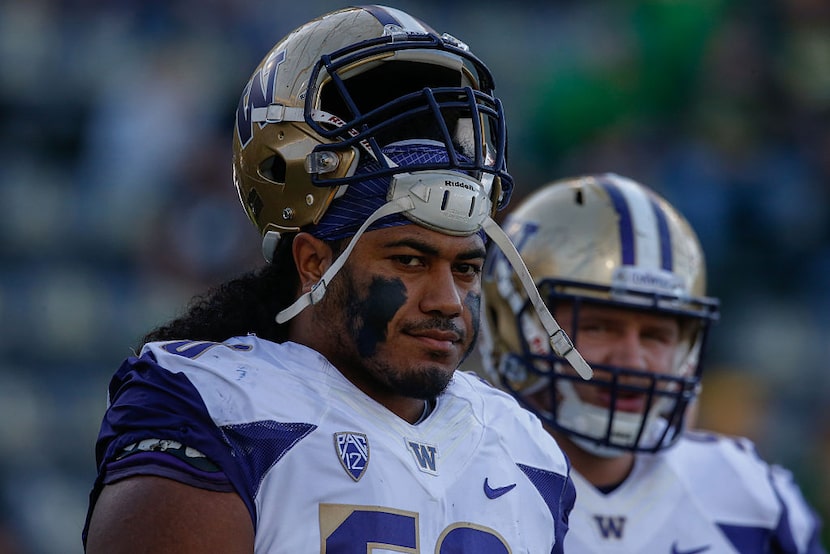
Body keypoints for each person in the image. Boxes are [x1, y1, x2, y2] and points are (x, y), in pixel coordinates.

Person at [82, 5, 585, 553]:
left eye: (465, 267)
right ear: (313, 262)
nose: (448, 301)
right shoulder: (217, 408)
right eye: (409, 261)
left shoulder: (524, 449)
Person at [480, 173, 826, 553]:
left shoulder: (748, 497)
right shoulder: (466, 474)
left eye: (656, 335)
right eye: (599, 327)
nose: (632, 359)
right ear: (516, 327)